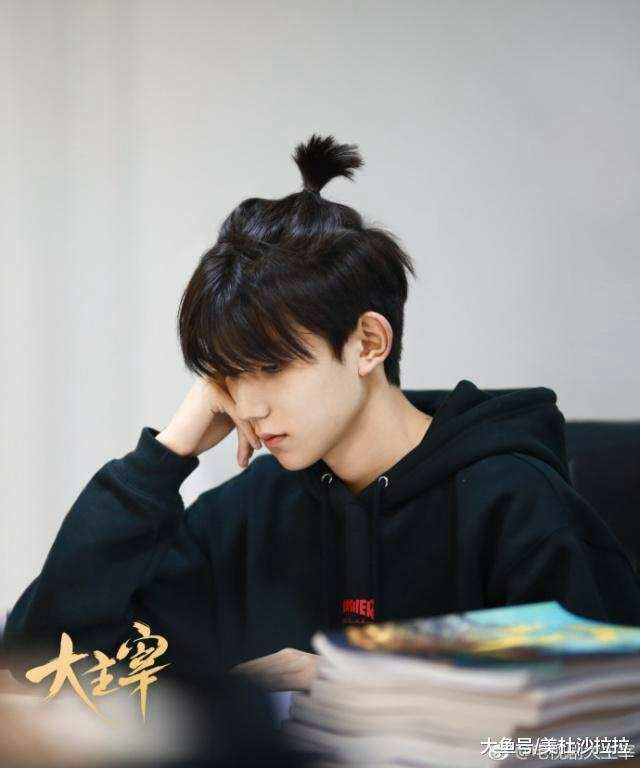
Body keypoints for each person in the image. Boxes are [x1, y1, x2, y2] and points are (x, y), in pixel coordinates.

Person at [4, 134, 640, 695]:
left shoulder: (513, 501)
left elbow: (606, 737)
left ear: (368, 343)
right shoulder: (250, 512)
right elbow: (41, 662)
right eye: (228, 375)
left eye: (271, 366)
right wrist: (164, 457)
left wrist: (367, 680)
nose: (248, 405)